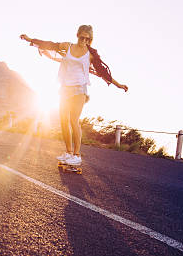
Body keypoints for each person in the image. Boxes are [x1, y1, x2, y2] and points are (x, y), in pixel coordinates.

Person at [20, 25, 128, 166]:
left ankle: (77, 155)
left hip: (79, 89)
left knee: (73, 120)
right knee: (63, 121)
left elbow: (103, 72)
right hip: (64, 88)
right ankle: (68, 152)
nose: (84, 40)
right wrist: (30, 39)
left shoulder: (90, 54)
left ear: (90, 40)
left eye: (87, 39)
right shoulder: (67, 46)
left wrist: (118, 84)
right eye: (82, 37)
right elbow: (50, 45)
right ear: (77, 35)